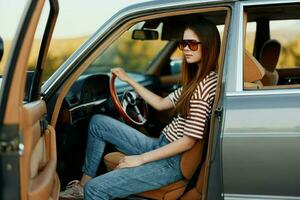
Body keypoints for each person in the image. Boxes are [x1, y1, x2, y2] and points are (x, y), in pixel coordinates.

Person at [59, 17, 220, 200]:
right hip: (161, 144)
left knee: (95, 190)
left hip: (171, 162)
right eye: (183, 44)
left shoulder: (202, 88)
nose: (185, 49)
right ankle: (82, 185)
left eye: (192, 44)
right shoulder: (198, 81)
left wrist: (140, 159)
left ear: (208, 45)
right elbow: (161, 104)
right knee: (98, 123)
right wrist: (128, 80)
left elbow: (188, 141)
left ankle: (87, 188)